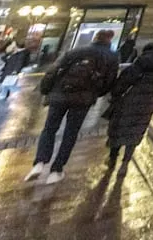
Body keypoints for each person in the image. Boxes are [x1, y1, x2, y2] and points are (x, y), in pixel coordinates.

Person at [26, 30, 119, 185]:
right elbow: (110, 81)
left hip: (60, 93)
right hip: (83, 99)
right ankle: (57, 170)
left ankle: (39, 162)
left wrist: (46, 89)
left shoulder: (77, 50)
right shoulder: (111, 56)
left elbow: (54, 70)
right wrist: (95, 93)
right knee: (71, 132)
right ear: (110, 40)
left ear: (95, 38)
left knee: (49, 128)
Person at [104, 42, 153, 178]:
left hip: (127, 101)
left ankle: (112, 158)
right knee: (135, 131)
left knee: (118, 129)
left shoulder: (137, 65)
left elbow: (122, 83)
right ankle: (125, 162)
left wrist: (115, 96)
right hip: (147, 103)